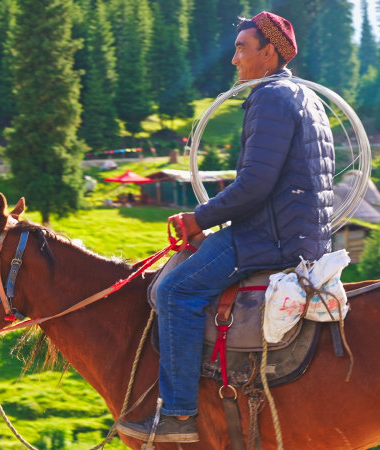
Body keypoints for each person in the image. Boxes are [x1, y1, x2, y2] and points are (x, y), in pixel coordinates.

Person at [117, 11, 335, 443]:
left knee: (173, 290)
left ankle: (179, 416)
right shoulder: (302, 95)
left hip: (271, 236)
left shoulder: (270, 97)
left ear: (269, 53)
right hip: (296, 231)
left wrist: (198, 218)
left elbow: (255, 183)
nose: (234, 59)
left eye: (242, 49)